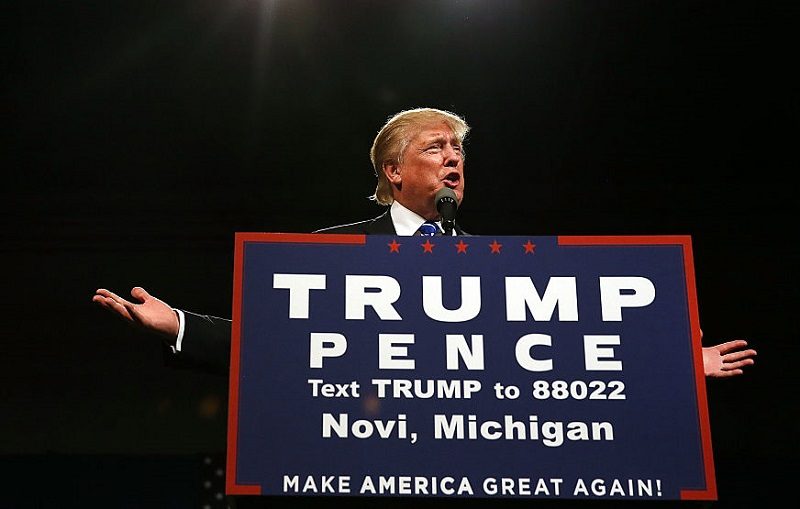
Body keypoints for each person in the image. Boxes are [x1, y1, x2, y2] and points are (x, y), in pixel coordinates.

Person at [92, 107, 757, 378]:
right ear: (393, 171)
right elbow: (272, 340)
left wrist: (677, 364)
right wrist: (178, 323)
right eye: (435, 148)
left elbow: (565, 351)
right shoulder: (333, 253)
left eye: (458, 150)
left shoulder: (500, 266)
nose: (453, 158)